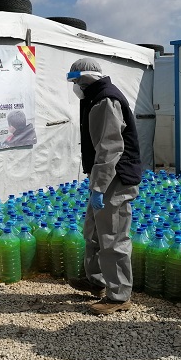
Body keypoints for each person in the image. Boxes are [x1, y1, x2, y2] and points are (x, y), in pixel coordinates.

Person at [65, 58, 142, 315]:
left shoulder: (105, 100)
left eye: (76, 81)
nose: (74, 86)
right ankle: (96, 280)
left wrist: (99, 186)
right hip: (103, 177)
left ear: (85, 78)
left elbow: (110, 149)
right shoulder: (93, 98)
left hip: (115, 178)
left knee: (113, 236)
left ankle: (119, 296)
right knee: (95, 231)